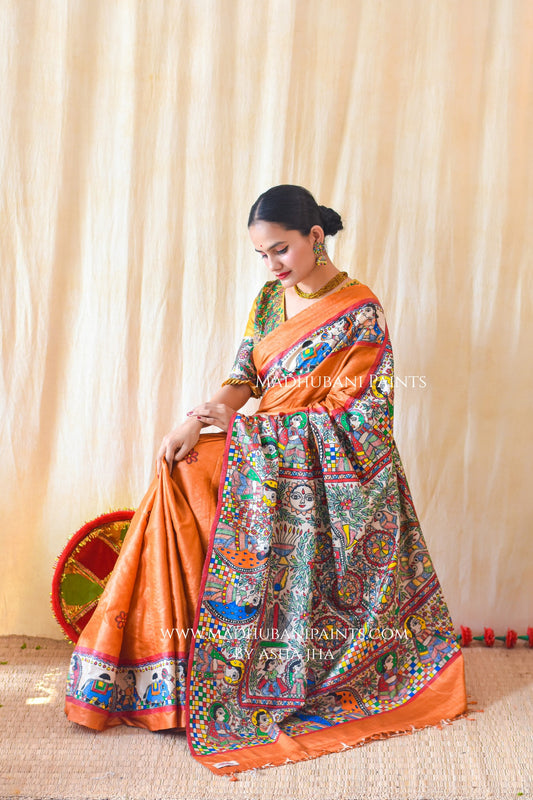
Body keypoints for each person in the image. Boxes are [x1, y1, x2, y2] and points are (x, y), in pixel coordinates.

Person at [64, 185, 467, 775]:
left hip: (325, 467)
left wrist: (252, 431)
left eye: (281, 250)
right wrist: (195, 420)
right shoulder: (269, 301)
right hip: (263, 444)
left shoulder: (361, 311)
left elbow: (364, 417)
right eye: (262, 254)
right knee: (180, 469)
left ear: (315, 237)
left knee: (201, 480)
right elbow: (243, 378)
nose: (273, 265)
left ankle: (239, 665)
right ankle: (168, 670)